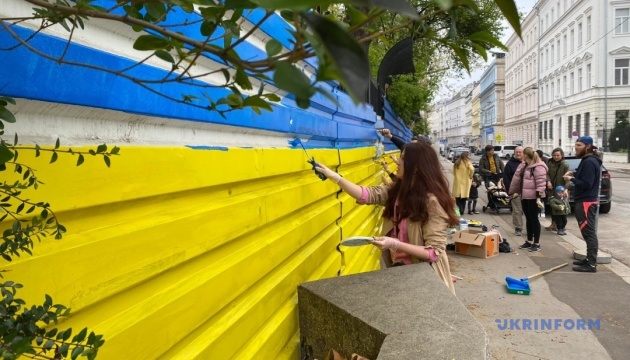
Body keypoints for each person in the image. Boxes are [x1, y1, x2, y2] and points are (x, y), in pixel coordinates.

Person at [315, 142, 459, 294]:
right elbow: (366, 195)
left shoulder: (432, 202)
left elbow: (433, 253)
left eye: (403, 159)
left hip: (426, 278)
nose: (398, 162)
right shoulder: (397, 190)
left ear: (416, 166)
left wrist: (395, 243)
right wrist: (335, 177)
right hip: (400, 271)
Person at [563, 136, 602, 273]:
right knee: (586, 233)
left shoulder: (590, 162)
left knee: (589, 233)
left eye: (579, 145)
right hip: (584, 200)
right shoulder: (587, 161)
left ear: (588, 146)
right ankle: (588, 259)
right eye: (575, 144)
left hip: (586, 202)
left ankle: (591, 264)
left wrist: (571, 178)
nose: (576, 147)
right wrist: (573, 174)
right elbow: (584, 178)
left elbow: (586, 184)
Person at [508, 147, 548, 252]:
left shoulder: (538, 167)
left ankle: (537, 243)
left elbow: (541, 183)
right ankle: (529, 241)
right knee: (528, 219)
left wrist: (538, 198)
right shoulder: (525, 165)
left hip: (534, 198)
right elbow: (517, 179)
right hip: (525, 195)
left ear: (526, 155)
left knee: (534, 219)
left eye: (522, 154)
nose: (520, 155)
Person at [545, 148, 570, 231]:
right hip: (552, 189)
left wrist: (565, 189)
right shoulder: (549, 163)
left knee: (562, 208)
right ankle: (553, 224)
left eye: (558, 155)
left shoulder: (565, 165)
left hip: (561, 190)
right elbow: (547, 174)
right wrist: (548, 181)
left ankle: (561, 226)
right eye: (554, 155)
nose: (556, 157)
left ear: (561, 155)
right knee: (552, 207)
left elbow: (568, 178)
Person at [503, 146, 525, 236]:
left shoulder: (528, 163)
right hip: (515, 192)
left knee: (528, 211)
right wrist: (510, 191)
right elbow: (506, 178)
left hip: (527, 191)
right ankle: (518, 228)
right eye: (517, 152)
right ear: (514, 153)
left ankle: (530, 229)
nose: (518, 154)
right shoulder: (510, 164)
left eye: (520, 152)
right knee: (517, 210)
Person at [452, 151, 474, 216]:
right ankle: (462, 211)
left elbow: (454, 172)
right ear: (466, 156)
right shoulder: (468, 163)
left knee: (458, 198)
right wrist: (470, 176)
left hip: (457, 182)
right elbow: (472, 169)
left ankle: (459, 209)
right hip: (465, 181)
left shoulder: (457, 163)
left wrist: (457, 176)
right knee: (464, 198)